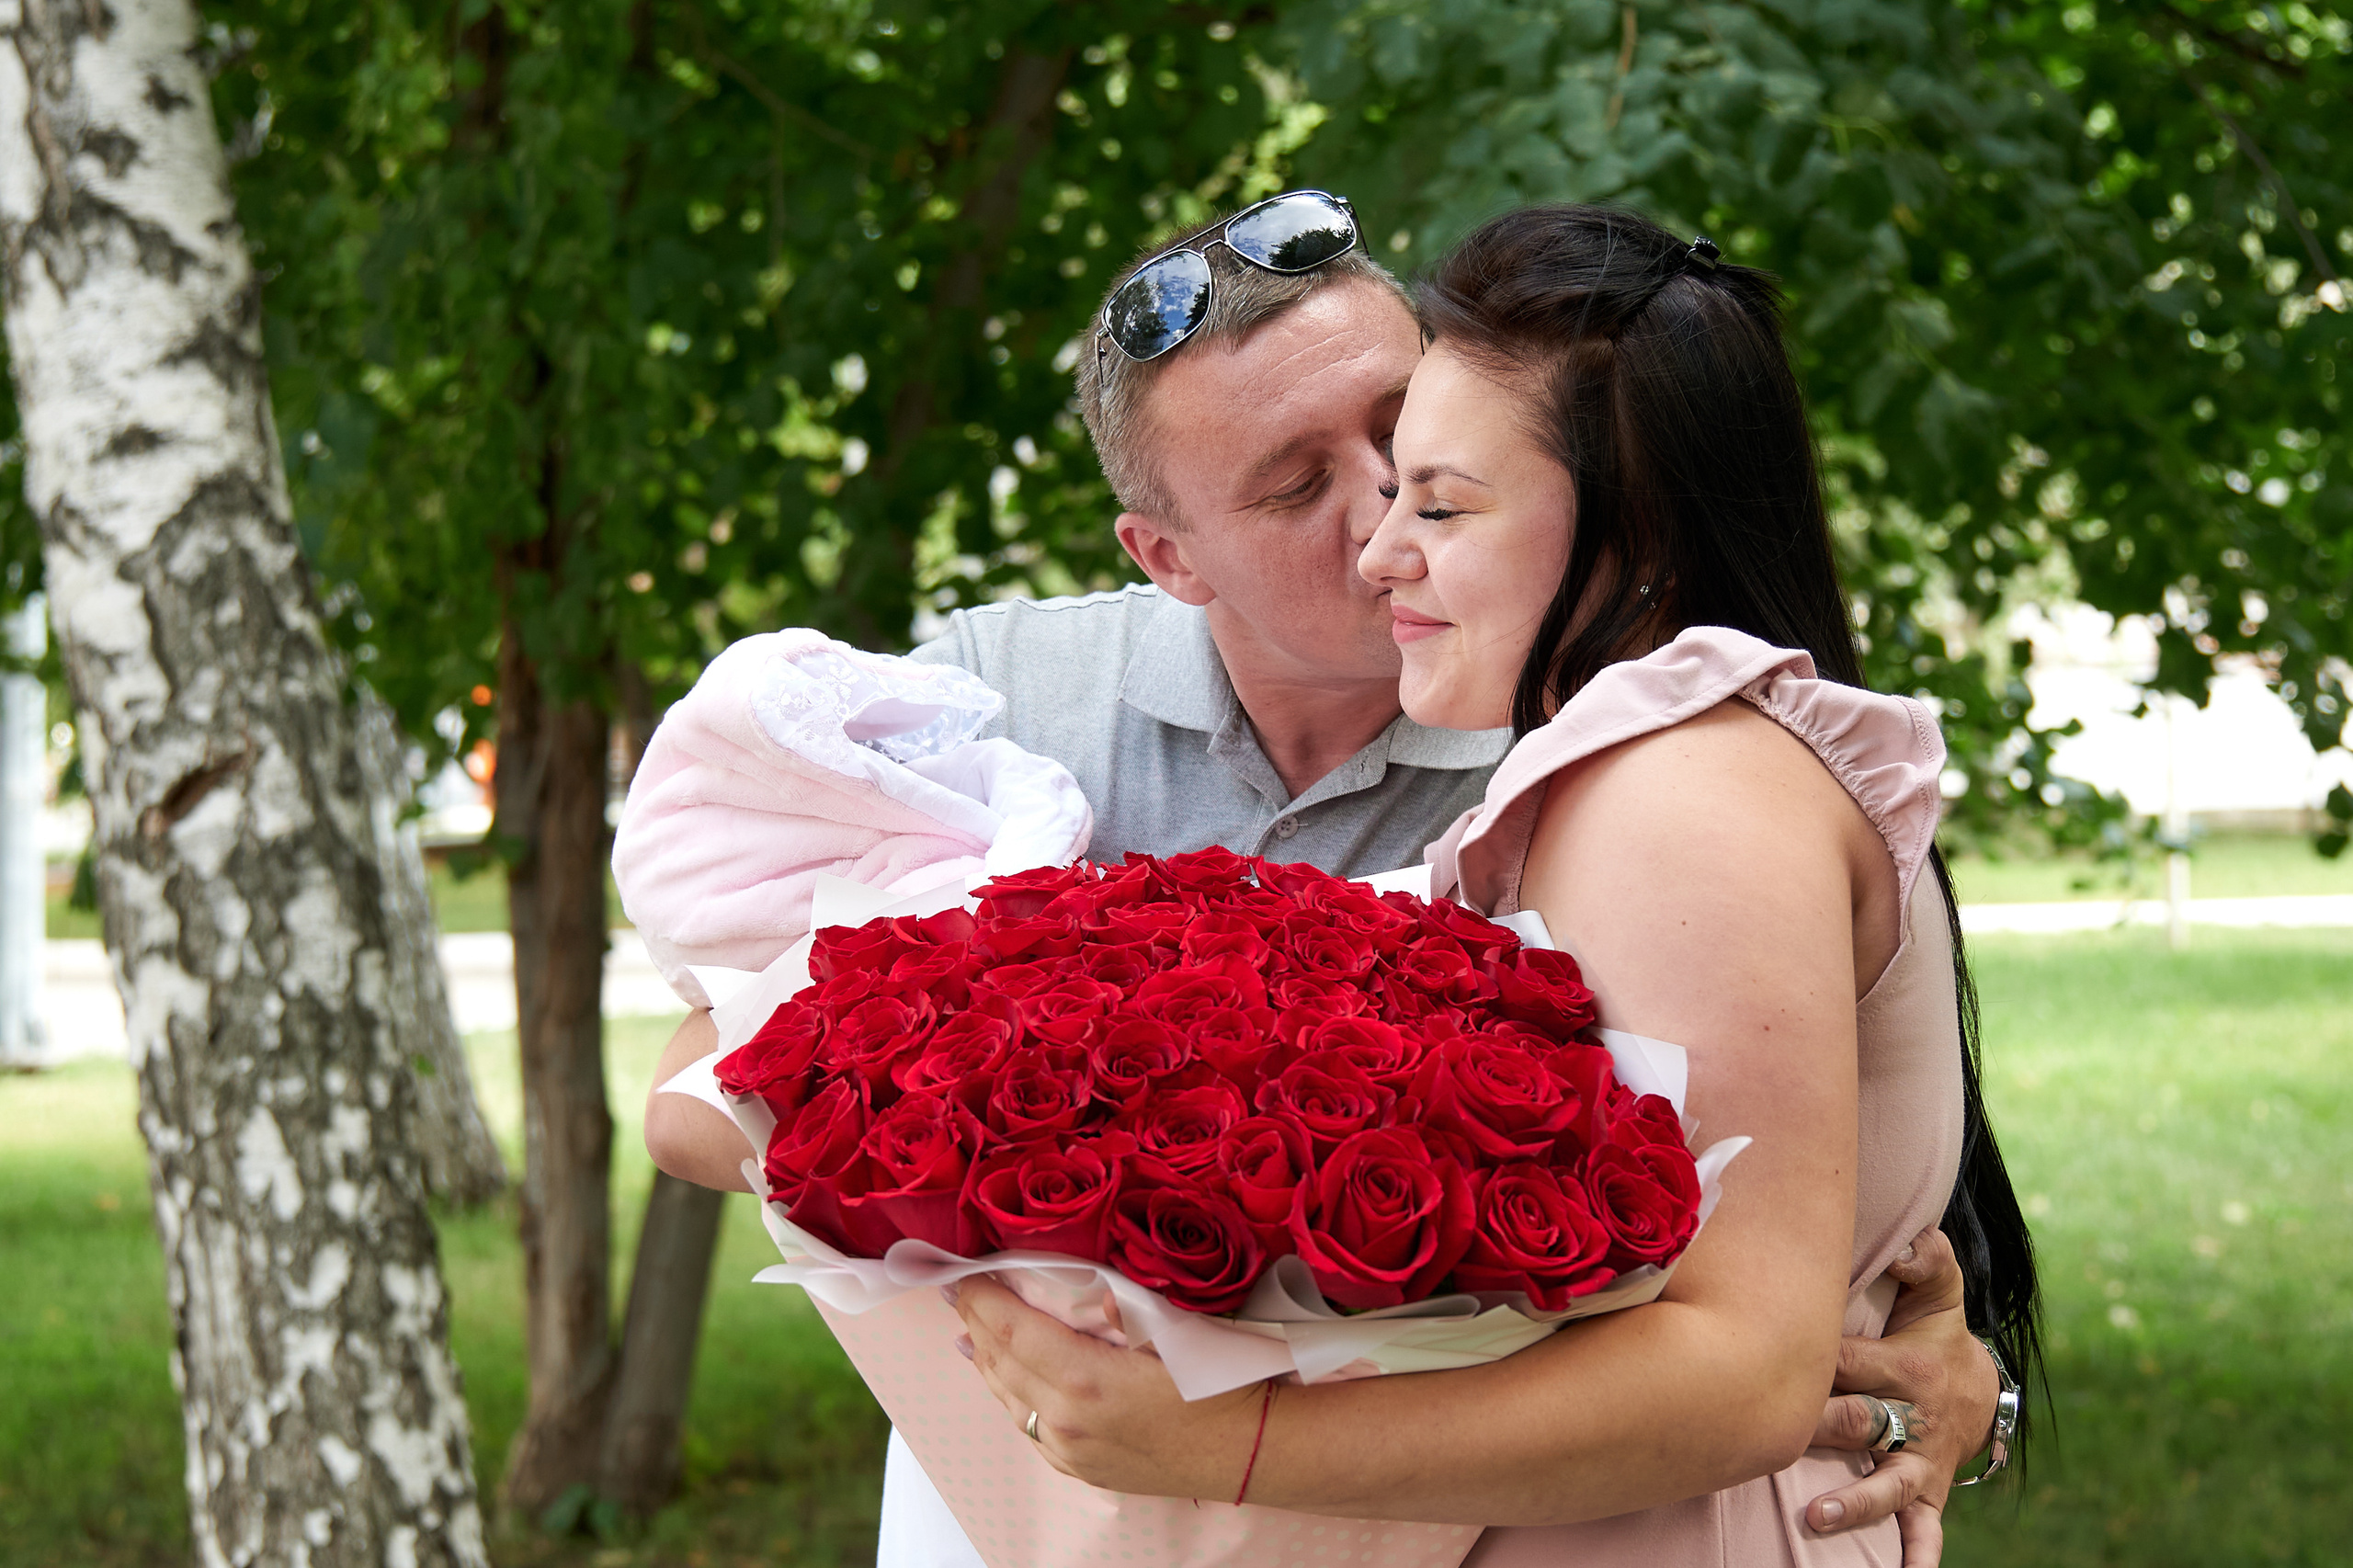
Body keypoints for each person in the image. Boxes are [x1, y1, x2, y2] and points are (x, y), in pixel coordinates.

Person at [640, 194, 2015, 1562]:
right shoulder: (995, 704)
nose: (1376, 529)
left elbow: (1798, 1285)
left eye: (1421, 464)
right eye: (1301, 487)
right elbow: (707, 1078)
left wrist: (1965, 1389)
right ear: (1168, 556)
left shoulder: (1639, 759)